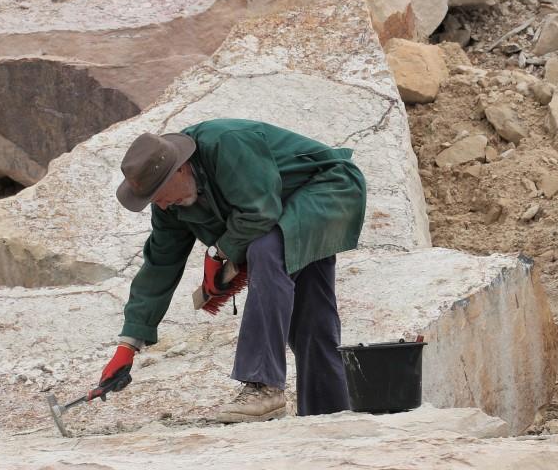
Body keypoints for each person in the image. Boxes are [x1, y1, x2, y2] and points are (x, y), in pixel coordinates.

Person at [98, 118, 367, 422]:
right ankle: (329, 413)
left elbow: (259, 212)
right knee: (311, 316)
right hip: (286, 212)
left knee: (265, 249)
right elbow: (160, 264)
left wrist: (219, 252)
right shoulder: (170, 205)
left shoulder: (226, 144)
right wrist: (129, 344)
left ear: (180, 168)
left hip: (328, 189)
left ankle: (264, 387)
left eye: (158, 194)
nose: (158, 206)